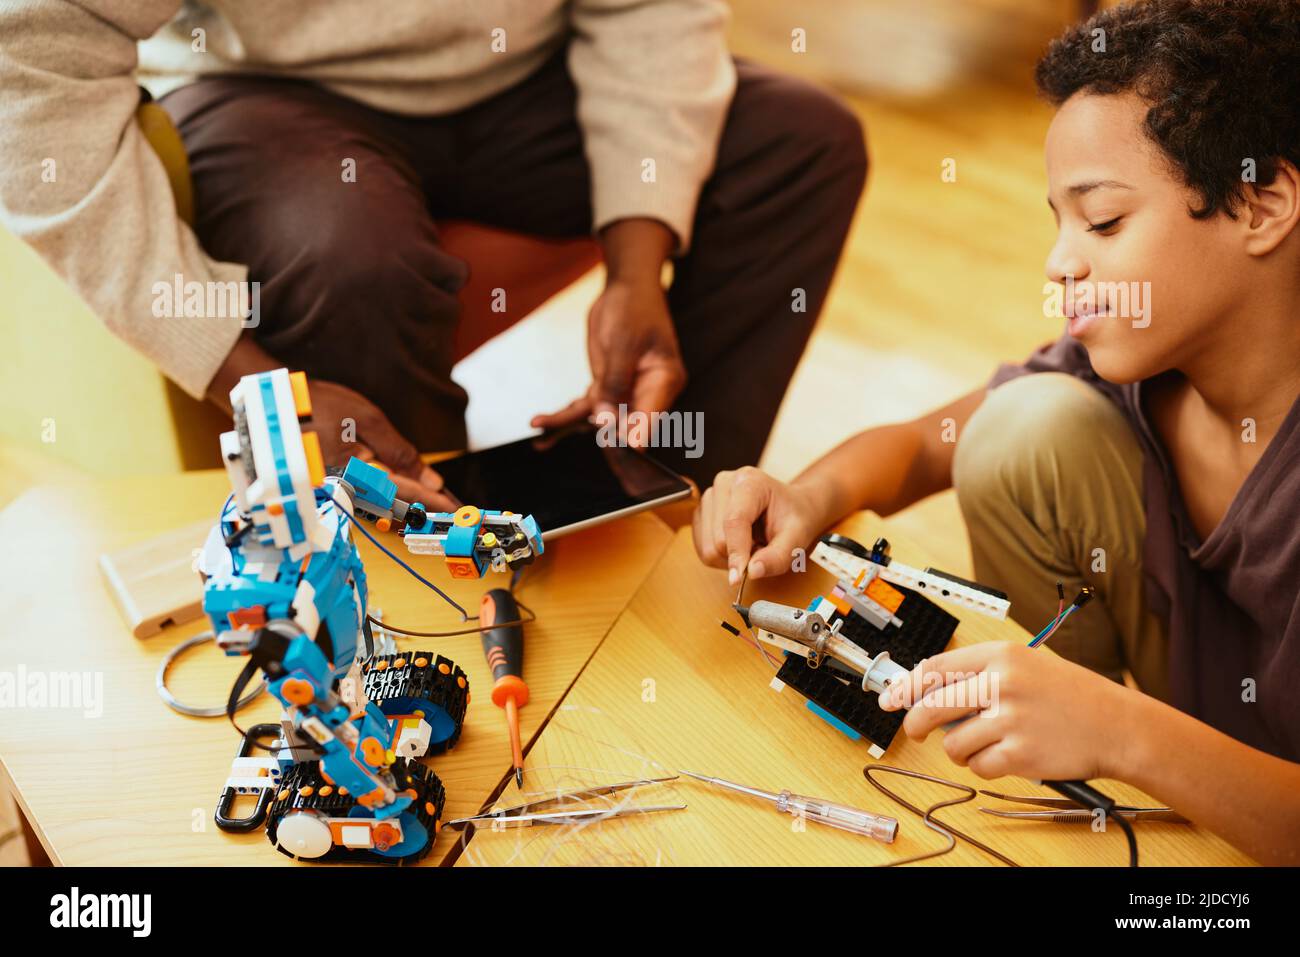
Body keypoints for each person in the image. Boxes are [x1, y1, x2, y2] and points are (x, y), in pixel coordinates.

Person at [692, 0, 1300, 864]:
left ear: (1260, 202)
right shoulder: (1144, 355)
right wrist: (804, 495)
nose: (1059, 260)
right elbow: (925, 441)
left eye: (1103, 221)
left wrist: (1122, 731)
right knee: (1021, 426)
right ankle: (1099, 799)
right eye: (1057, 220)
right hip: (1189, 738)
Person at [0, 1, 867, 505]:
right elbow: (36, 62)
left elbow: (645, 9)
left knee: (802, 144)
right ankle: (430, 567)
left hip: (527, 75)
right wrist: (263, 395)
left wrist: (636, 269)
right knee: (348, 255)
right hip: (270, 90)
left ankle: (653, 498)